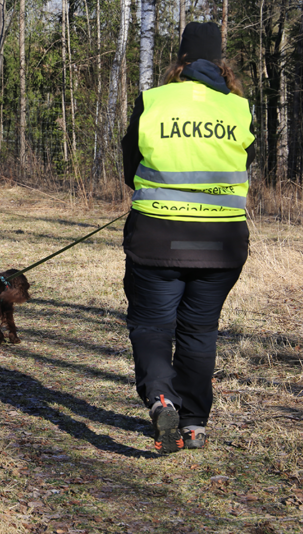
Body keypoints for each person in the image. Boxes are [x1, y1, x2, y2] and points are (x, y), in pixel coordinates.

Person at [120, 22, 255, 454]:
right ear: (221, 63)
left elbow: (130, 164)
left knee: (152, 326)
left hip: (157, 238)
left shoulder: (154, 101)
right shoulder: (239, 109)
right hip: (222, 244)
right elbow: (246, 164)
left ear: (180, 61)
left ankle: (162, 399)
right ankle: (195, 425)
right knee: (199, 332)